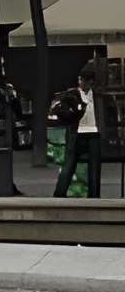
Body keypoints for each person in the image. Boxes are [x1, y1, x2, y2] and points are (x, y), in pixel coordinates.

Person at [54, 63, 104, 199]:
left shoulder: (97, 96)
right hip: (77, 133)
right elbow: (60, 109)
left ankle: (94, 196)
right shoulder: (72, 94)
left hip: (94, 133)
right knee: (69, 165)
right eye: (81, 81)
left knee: (94, 167)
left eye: (86, 82)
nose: (83, 84)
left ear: (91, 82)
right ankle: (59, 194)